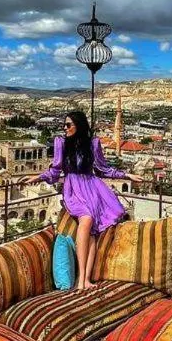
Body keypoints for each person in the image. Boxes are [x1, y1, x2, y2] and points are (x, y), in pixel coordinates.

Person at [31, 111, 140, 290]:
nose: (65, 129)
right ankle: (81, 279)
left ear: (79, 125)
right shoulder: (62, 144)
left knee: (93, 233)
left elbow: (103, 169)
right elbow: (55, 170)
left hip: (92, 188)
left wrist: (127, 175)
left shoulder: (93, 144)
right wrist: (38, 178)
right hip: (73, 189)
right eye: (64, 125)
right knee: (87, 219)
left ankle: (86, 279)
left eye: (68, 125)